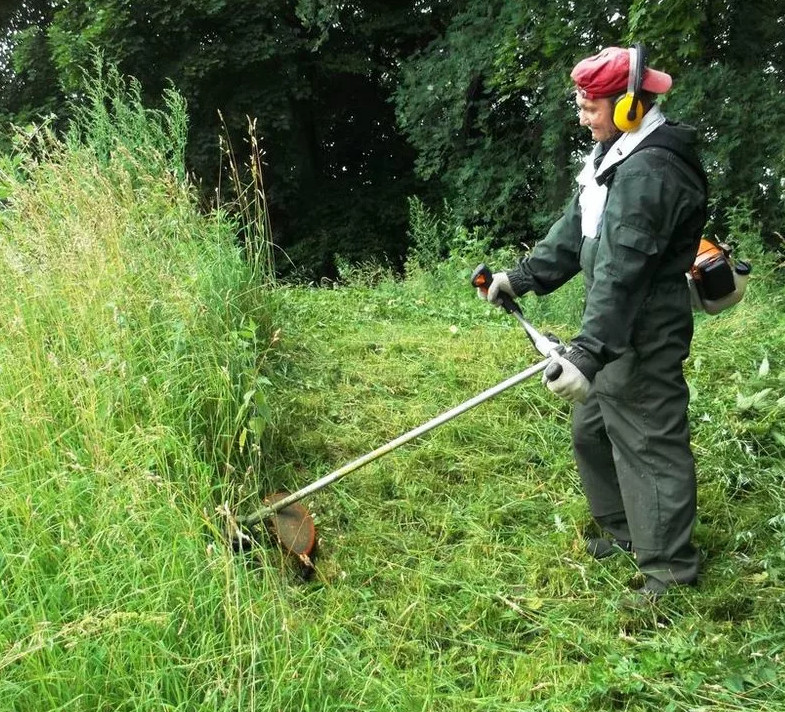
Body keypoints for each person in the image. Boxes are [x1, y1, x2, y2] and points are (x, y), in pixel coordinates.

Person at [480, 45, 707, 602]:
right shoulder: (616, 155)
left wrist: (587, 351)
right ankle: (629, 533)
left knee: (648, 441)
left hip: (643, 327)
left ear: (630, 105)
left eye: (590, 107)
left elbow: (625, 271)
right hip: (614, 327)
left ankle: (670, 573)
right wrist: (521, 278)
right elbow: (577, 230)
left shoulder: (652, 169)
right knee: (593, 430)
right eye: (580, 105)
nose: (582, 118)